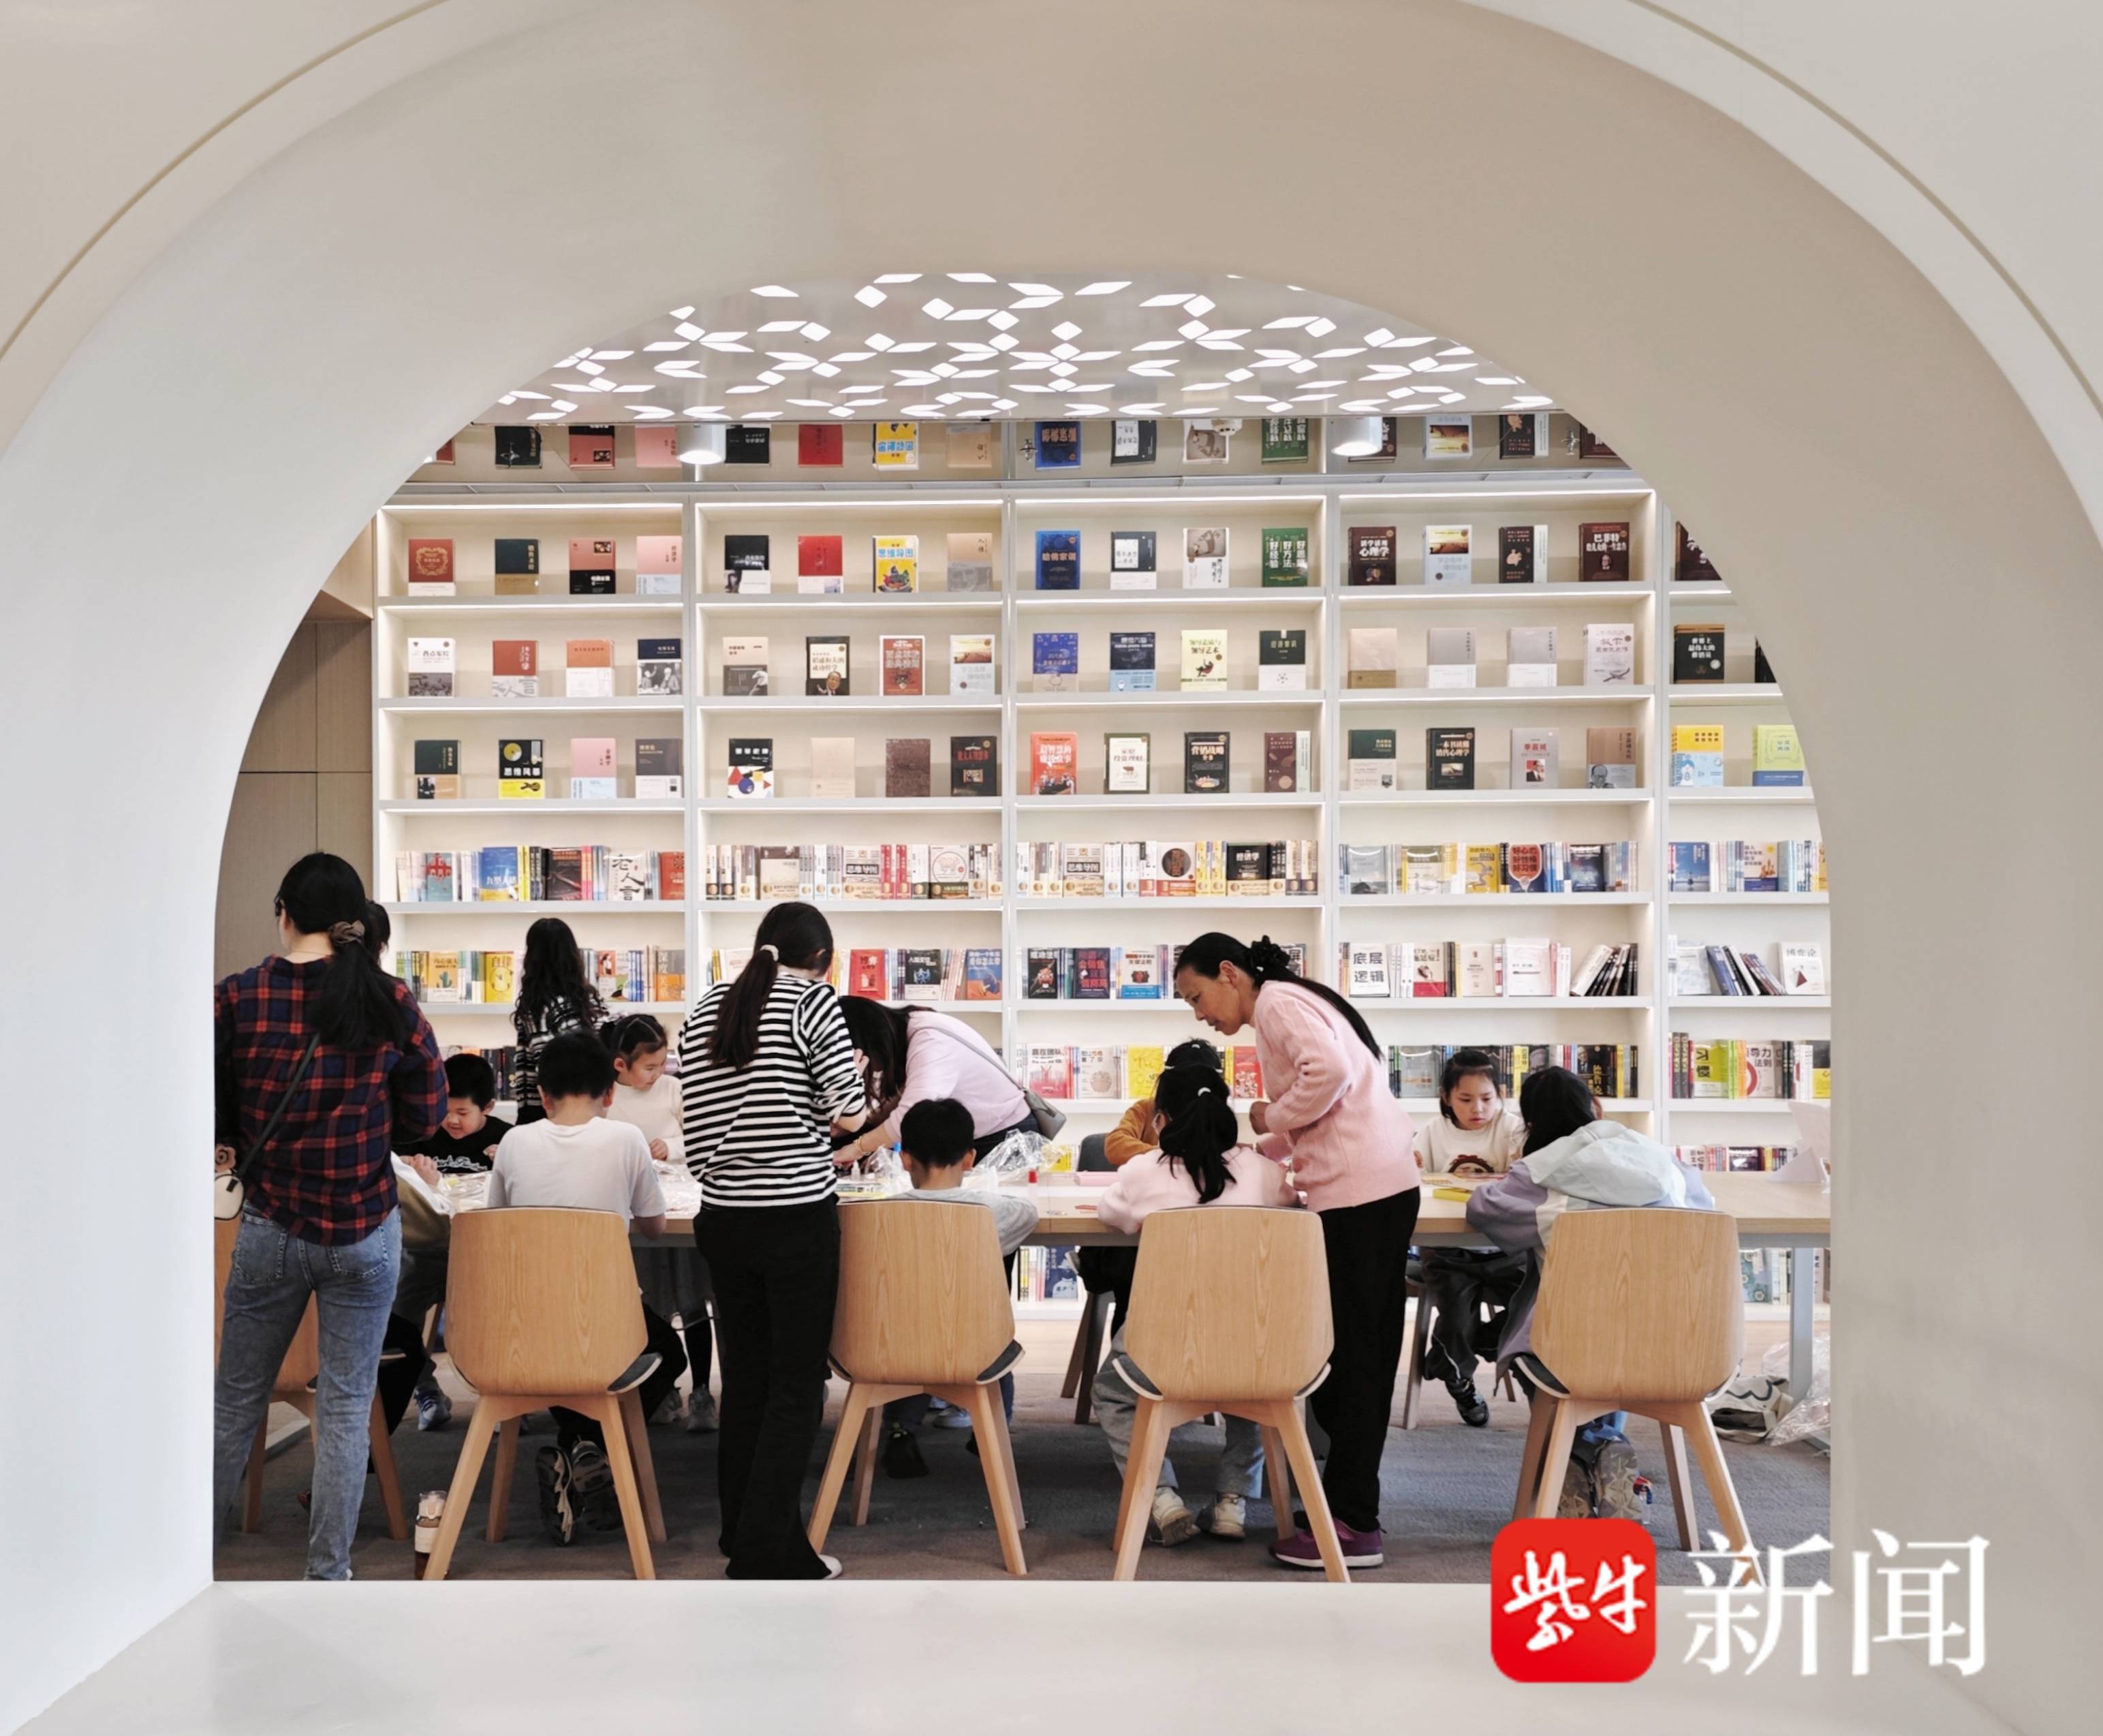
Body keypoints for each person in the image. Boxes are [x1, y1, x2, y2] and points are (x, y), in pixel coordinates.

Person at [213, 852, 445, 1579]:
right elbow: (427, 1115)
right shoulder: (390, 1000)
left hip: (271, 1225)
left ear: (284, 914)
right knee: (345, 1406)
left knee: (235, 1399)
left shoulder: (239, 996)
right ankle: (328, 1573)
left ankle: (188, 1565)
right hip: (364, 1228)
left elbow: (208, 1101)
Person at [1173, 933, 1418, 1571]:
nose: (1198, 1014)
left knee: (1354, 1363)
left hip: (1361, 1196)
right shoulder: (1290, 1003)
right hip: (1373, 1186)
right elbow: (1327, 1107)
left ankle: (1352, 1525)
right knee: (1355, 1358)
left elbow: (1328, 1077)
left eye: (1196, 996)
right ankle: (1347, 1515)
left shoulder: (1277, 1004)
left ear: (1229, 974)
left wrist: (1266, 1118)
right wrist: (1266, 1147)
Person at [679, 901, 868, 1579]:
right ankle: (769, 1551)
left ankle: (743, 1530)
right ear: (821, 959)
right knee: (796, 1385)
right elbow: (849, 1112)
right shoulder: (813, 1003)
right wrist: (843, 1088)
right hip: (794, 1214)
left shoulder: (708, 1006)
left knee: (747, 1381)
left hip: (723, 1215)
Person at [1465, 1066, 1718, 1520]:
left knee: (1539, 1345)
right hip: (1681, 1346)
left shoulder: (1541, 1175)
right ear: (1593, 1108)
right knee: (1617, 1346)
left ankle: (1576, 1458)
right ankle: (1602, 1450)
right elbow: (1707, 1213)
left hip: (1571, 1351)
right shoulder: (1665, 1162)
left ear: (1530, 1123)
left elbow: (1484, 1210)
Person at [486, 1032, 687, 1545]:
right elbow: (655, 1228)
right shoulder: (626, 1140)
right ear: (610, 1092)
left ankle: (575, 1444)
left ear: (543, 1094)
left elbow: (495, 1223)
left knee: (562, 1356)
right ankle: (591, 1445)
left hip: (521, 1325)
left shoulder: (514, 1142)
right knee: (666, 1351)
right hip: (605, 1323)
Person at [1089, 1061, 1297, 1547]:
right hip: (1255, 1336)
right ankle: (1232, 1503)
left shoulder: (1142, 1173)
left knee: (1113, 1392)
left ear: (1160, 1119)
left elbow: (1108, 1214)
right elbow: (1291, 1208)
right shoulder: (1266, 1174)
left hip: (1164, 1341)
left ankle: (1161, 1497)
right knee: (1254, 1390)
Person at [878, 1098, 1040, 1480]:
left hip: (890, 1344)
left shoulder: (880, 1214)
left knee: (914, 1335)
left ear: (905, 1159)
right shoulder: (992, 1211)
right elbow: (1029, 1214)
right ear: (969, 1159)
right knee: (998, 1346)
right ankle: (991, 1434)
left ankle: (900, 1430)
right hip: (974, 1343)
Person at [606, 1012, 717, 1433]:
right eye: (649, 1067)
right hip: (636, 1210)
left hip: (681, 1200)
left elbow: (700, 1135)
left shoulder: (673, 1088)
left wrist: (670, 1146)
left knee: (692, 1298)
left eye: (662, 1064)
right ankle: (662, 1387)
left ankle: (702, 1390)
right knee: (647, 1301)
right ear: (621, 1065)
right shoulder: (607, 1098)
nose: (657, 1074)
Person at [391, 1051, 512, 1430]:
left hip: (487, 1254)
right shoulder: (421, 1136)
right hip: (428, 1252)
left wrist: (509, 1163)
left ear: (487, 1107)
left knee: (501, 1313)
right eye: (445, 1111)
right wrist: (415, 1178)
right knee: (396, 1314)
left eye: (462, 1112)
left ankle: (501, 1394)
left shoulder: (508, 1139)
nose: (452, 1121)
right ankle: (425, 1388)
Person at [1409, 1048, 1529, 1429]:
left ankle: (1482, 1344)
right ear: (1446, 1097)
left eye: (1487, 1098)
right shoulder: (1432, 1133)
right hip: (1449, 1252)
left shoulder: (1512, 1129)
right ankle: (1459, 1380)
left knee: (1540, 1307)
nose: (1477, 1108)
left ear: (1500, 1095)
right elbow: (1414, 1182)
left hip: (1506, 1250)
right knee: (1456, 1321)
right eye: (1465, 1099)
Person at [1078, 1038, 1226, 1337]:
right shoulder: (1147, 1112)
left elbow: (1109, 1210)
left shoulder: (1214, 1119)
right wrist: (1172, 1155)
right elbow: (1115, 1145)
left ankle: (1128, 1354)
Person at [832, 997, 1031, 1166]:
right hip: (971, 1138)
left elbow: (911, 1116)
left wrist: (857, 1148)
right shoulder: (909, 1030)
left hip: (1003, 1137)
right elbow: (896, 1106)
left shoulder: (931, 1041)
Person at [511, 916, 605, 1126]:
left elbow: (541, 1063)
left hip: (549, 1110)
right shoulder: (590, 1000)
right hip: (591, 1104)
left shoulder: (536, 1007)